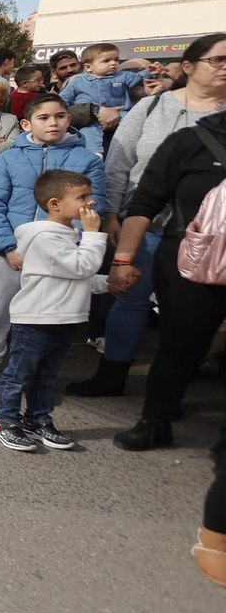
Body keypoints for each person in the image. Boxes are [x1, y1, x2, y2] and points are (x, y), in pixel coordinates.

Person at [76, 35, 226, 398]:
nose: (224, 68)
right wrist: (111, 213)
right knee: (130, 299)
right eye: (217, 60)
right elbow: (120, 162)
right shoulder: (150, 108)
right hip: (143, 223)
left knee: (194, 311)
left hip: (209, 233)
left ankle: (177, 378)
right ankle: (112, 374)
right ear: (189, 67)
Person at [0, 94, 105, 392]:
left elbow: (91, 208)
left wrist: (66, 247)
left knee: (45, 316)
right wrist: (6, 247)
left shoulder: (87, 161)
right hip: (10, 252)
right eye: (44, 117)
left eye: (61, 116)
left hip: (59, 254)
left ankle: (31, 371)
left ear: (69, 119)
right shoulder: (8, 158)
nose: (53, 123)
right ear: (27, 123)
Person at [108, 108, 226, 451]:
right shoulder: (190, 141)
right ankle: (156, 421)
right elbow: (145, 201)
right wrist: (123, 260)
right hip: (193, 262)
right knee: (180, 344)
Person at [0, 170, 106, 453]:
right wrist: (93, 235)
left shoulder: (68, 234)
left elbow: (76, 275)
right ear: (54, 204)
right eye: (82, 197)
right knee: (20, 374)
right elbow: (81, 266)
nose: (90, 203)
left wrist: (109, 283)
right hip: (37, 318)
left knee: (46, 375)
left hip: (65, 316)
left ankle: (37, 420)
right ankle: (4, 421)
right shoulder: (45, 237)